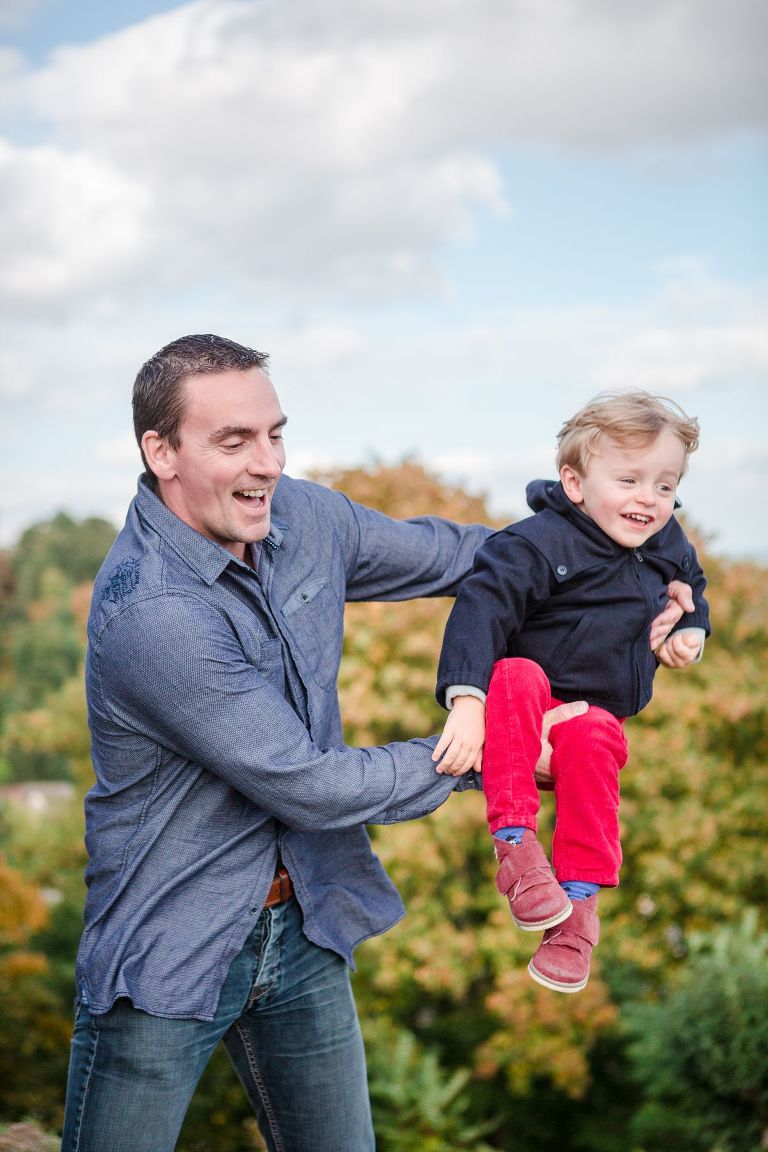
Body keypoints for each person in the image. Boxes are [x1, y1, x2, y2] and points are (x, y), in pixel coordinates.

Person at [61, 342, 691, 1152]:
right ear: (162, 451)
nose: (267, 464)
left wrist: (630, 579)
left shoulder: (302, 516)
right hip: (167, 946)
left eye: (275, 435)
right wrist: (491, 746)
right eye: (233, 441)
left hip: (306, 924)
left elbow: (481, 557)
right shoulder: (154, 612)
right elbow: (307, 784)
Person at [434, 391, 710, 994]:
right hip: (522, 709)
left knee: (595, 738)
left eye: (665, 486)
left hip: (594, 714)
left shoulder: (666, 540)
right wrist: (467, 702)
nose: (649, 498)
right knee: (516, 672)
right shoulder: (536, 543)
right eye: (629, 480)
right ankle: (516, 847)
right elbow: (480, 610)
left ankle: (578, 912)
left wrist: (690, 630)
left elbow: (692, 583)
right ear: (575, 482)